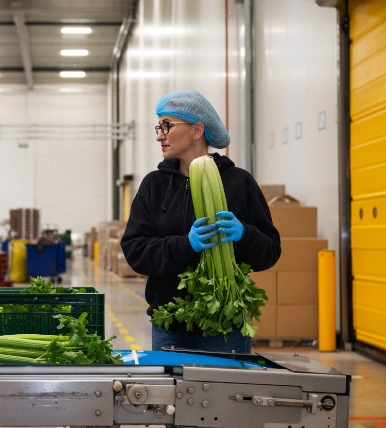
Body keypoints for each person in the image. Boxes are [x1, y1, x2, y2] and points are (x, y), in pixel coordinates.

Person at [120, 90, 281, 353]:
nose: (159, 135)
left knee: (228, 394)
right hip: (169, 324)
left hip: (227, 324)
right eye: (158, 127)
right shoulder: (154, 185)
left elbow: (270, 251)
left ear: (197, 130)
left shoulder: (239, 182)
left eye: (167, 126)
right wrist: (186, 245)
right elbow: (136, 252)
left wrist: (245, 235)